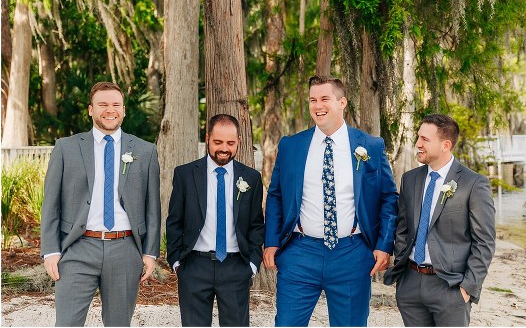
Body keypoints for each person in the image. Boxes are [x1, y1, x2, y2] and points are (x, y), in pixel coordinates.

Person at [263, 75, 398, 326]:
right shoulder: (292, 145)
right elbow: (276, 195)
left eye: (325, 98)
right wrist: (271, 241)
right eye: (313, 100)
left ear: (342, 102)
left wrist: (384, 244)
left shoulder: (370, 146)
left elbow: (388, 197)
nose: (317, 105)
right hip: (300, 252)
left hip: (352, 253)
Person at [40, 81, 161, 326]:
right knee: (67, 323)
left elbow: (152, 208)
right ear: (90, 109)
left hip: (125, 249)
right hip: (77, 248)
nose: (110, 110)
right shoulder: (66, 148)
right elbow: (50, 203)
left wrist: (149, 253)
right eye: (102, 104)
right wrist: (51, 251)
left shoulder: (145, 150)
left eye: (116, 104)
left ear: (124, 110)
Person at [383, 114, 495, 326]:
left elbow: (484, 242)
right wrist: (402, 269)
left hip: (450, 287)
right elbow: (403, 229)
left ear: (446, 145)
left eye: (425, 139)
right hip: (411, 284)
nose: (418, 144)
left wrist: (467, 288)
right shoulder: (410, 179)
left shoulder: (474, 184)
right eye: (418, 138)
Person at [166, 114, 265, 326]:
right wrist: (176, 261)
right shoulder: (185, 174)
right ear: (208, 138)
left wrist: (252, 264)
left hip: (236, 267)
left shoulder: (251, 178)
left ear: (239, 141)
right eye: (218, 142)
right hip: (194, 266)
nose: (224, 148)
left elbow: (256, 224)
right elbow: (175, 221)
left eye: (230, 143)